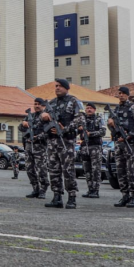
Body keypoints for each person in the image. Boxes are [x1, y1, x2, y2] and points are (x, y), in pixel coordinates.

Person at [42, 79, 84, 209]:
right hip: (52, 141)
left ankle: (71, 197)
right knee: (53, 169)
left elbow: (80, 119)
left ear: (66, 88)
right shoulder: (51, 103)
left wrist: (65, 128)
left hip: (66, 140)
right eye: (56, 86)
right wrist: (43, 116)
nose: (57, 88)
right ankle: (57, 197)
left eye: (60, 86)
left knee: (68, 170)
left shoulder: (74, 101)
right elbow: (42, 119)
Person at [109, 86, 134, 208]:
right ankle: (125, 195)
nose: (121, 95)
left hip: (130, 144)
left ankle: (133, 197)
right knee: (120, 171)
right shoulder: (116, 109)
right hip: (118, 143)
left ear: (127, 95)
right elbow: (112, 129)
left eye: (123, 93)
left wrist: (129, 136)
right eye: (119, 93)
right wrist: (111, 125)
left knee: (131, 171)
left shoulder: (132, 108)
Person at [20, 99, 48, 199]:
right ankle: (35, 189)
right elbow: (20, 127)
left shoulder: (45, 116)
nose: (36, 106)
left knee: (41, 169)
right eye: (35, 104)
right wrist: (23, 124)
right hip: (28, 146)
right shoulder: (30, 116)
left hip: (40, 146)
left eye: (38, 104)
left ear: (43, 105)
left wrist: (38, 137)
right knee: (29, 169)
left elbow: (48, 131)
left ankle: (43, 190)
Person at [79, 102, 104, 198]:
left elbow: (102, 131)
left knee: (96, 170)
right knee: (87, 170)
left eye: (91, 108)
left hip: (95, 147)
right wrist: (79, 129)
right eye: (87, 108)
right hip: (85, 147)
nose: (89, 110)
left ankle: (95, 190)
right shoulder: (82, 120)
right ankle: (90, 189)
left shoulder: (98, 119)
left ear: (94, 110)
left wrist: (91, 134)